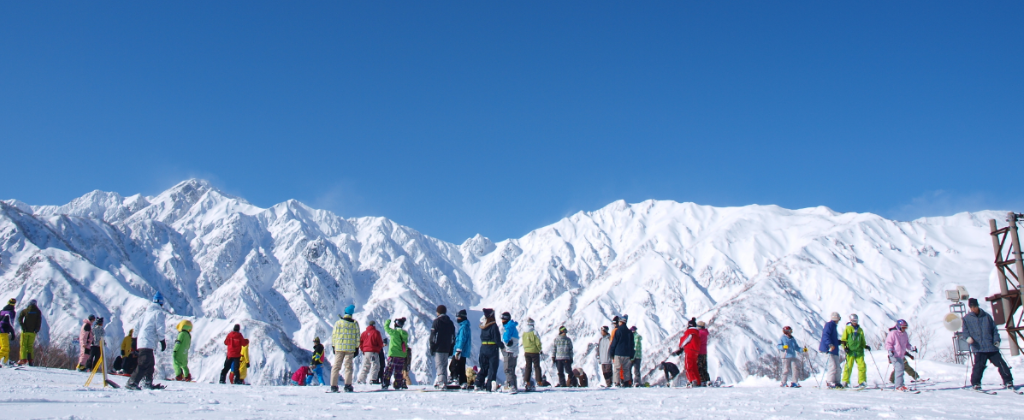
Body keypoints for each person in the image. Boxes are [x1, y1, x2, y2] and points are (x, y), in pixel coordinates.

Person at [962, 298, 1014, 390]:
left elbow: (994, 330)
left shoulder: (987, 316)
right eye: (971, 307)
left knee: (1001, 364)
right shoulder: (966, 319)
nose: (973, 308)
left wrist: (996, 340)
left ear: (978, 306)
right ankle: (976, 383)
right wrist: (968, 338)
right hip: (979, 347)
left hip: (991, 346)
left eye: (975, 306)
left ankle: (1008, 381)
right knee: (979, 366)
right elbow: (965, 332)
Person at [126, 292, 167, 390]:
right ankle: (132, 382)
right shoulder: (158, 313)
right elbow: (160, 328)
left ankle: (147, 383)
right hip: (147, 342)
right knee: (144, 363)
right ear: (161, 303)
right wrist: (162, 340)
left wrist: (134, 340)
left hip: (142, 341)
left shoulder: (146, 313)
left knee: (150, 364)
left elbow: (136, 327)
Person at [330, 305, 361, 393]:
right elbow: (357, 337)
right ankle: (348, 385)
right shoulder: (355, 324)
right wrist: (356, 347)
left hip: (339, 348)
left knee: (336, 366)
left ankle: (333, 386)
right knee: (348, 367)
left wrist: (333, 346)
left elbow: (334, 335)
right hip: (350, 348)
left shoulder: (338, 323)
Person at [475, 308, 505, 391]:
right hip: (492, 349)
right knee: (492, 368)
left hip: (483, 348)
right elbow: (497, 339)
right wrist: (502, 347)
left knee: (483, 367)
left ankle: (478, 383)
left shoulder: (483, 326)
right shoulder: (493, 326)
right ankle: (489, 386)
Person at [429, 305, 456, 389]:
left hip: (438, 347)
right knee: (444, 365)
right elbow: (453, 336)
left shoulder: (436, 322)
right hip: (447, 347)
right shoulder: (450, 322)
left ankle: (441, 382)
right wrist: (451, 347)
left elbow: (433, 336)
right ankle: (444, 381)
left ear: (438, 312)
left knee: (439, 365)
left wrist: (432, 346)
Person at [885, 319, 915, 391]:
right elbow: (888, 343)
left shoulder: (904, 334)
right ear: (899, 326)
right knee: (899, 369)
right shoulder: (893, 333)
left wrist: (912, 348)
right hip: (894, 354)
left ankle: (900, 385)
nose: (904, 329)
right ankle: (898, 386)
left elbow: (907, 344)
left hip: (900, 355)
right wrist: (890, 350)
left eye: (905, 327)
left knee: (900, 369)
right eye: (903, 327)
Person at [840, 314, 869, 389]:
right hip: (850, 351)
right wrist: (845, 347)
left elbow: (862, 340)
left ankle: (862, 381)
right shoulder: (848, 329)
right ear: (850, 321)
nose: (854, 322)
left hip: (859, 351)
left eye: (856, 321)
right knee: (848, 366)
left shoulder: (860, 330)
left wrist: (865, 346)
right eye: (853, 321)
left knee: (862, 366)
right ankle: (845, 381)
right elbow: (844, 340)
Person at [381, 317, 409, 390]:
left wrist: (388, 320)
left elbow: (386, 327)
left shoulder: (394, 332)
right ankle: (397, 384)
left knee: (389, 369)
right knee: (398, 371)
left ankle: (385, 383)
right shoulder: (405, 334)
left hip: (393, 353)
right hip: (402, 355)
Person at [673, 318, 701, 387]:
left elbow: (685, 339)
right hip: (696, 351)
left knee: (688, 367)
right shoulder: (697, 332)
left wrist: (680, 347)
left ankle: (692, 380)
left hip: (689, 350)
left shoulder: (690, 332)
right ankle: (698, 381)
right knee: (694, 367)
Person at [818, 312, 843, 388]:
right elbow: (826, 336)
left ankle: (837, 382)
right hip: (828, 350)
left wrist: (839, 342)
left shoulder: (834, 326)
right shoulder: (829, 325)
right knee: (832, 366)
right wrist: (830, 344)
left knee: (837, 367)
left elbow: (833, 339)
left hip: (834, 350)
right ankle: (830, 382)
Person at [608, 316, 635, 387]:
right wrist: (632, 354)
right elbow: (632, 344)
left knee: (617, 368)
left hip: (618, 353)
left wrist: (611, 352)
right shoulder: (629, 332)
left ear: (621, 322)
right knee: (626, 369)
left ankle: (617, 382)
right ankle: (626, 382)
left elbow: (614, 342)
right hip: (627, 354)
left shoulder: (618, 331)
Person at [449, 309, 472, 388]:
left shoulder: (463, 328)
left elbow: (461, 339)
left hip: (460, 351)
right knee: (461, 367)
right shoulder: (465, 326)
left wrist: (458, 349)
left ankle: (455, 379)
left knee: (454, 366)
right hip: (464, 351)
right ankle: (463, 381)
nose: (457, 319)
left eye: (458, 317)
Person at [16, 299, 42, 366]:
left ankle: (22, 360)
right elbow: (39, 321)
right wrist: (36, 329)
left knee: (23, 345)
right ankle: (30, 361)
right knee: (30, 346)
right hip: (33, 332)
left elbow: (19, 318)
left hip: (25, 331)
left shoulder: (25, 310)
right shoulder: (38, 312)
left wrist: (23, 326)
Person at [500, 312, 520, 392]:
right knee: (512, 369)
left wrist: (506, 342)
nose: (502, 321)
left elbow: (506, 337)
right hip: (514, 351)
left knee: (507, 369)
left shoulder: (508, 327)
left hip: (509, 351)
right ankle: (514, 385)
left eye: (503, 319)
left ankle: (510, 386)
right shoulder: (513, 326)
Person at [521, 318, 543, 391]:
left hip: (526, 351)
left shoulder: (524, 332)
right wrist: (539, 349)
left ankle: (527, 381)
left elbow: (523, 342)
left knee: (528, 367)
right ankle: (539, 381)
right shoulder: (534, 332)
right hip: (534, 351)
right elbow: (538, 342)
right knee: (537, 366)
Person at [0, 299, 16, 365]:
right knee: (5, 348)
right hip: (3, 331)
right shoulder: (12, 312)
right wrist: (13, 333)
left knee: (4, 347)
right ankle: (4, 362)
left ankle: (5, 362)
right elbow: (10, 323)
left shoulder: (2, 311)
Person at [696, 321, 710, 386]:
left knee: (699, 367)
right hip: (704, 352)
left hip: (699, 352)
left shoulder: (699, 333)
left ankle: (701, 381)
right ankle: (707, 380)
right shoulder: (705, 333)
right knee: (704, 367)